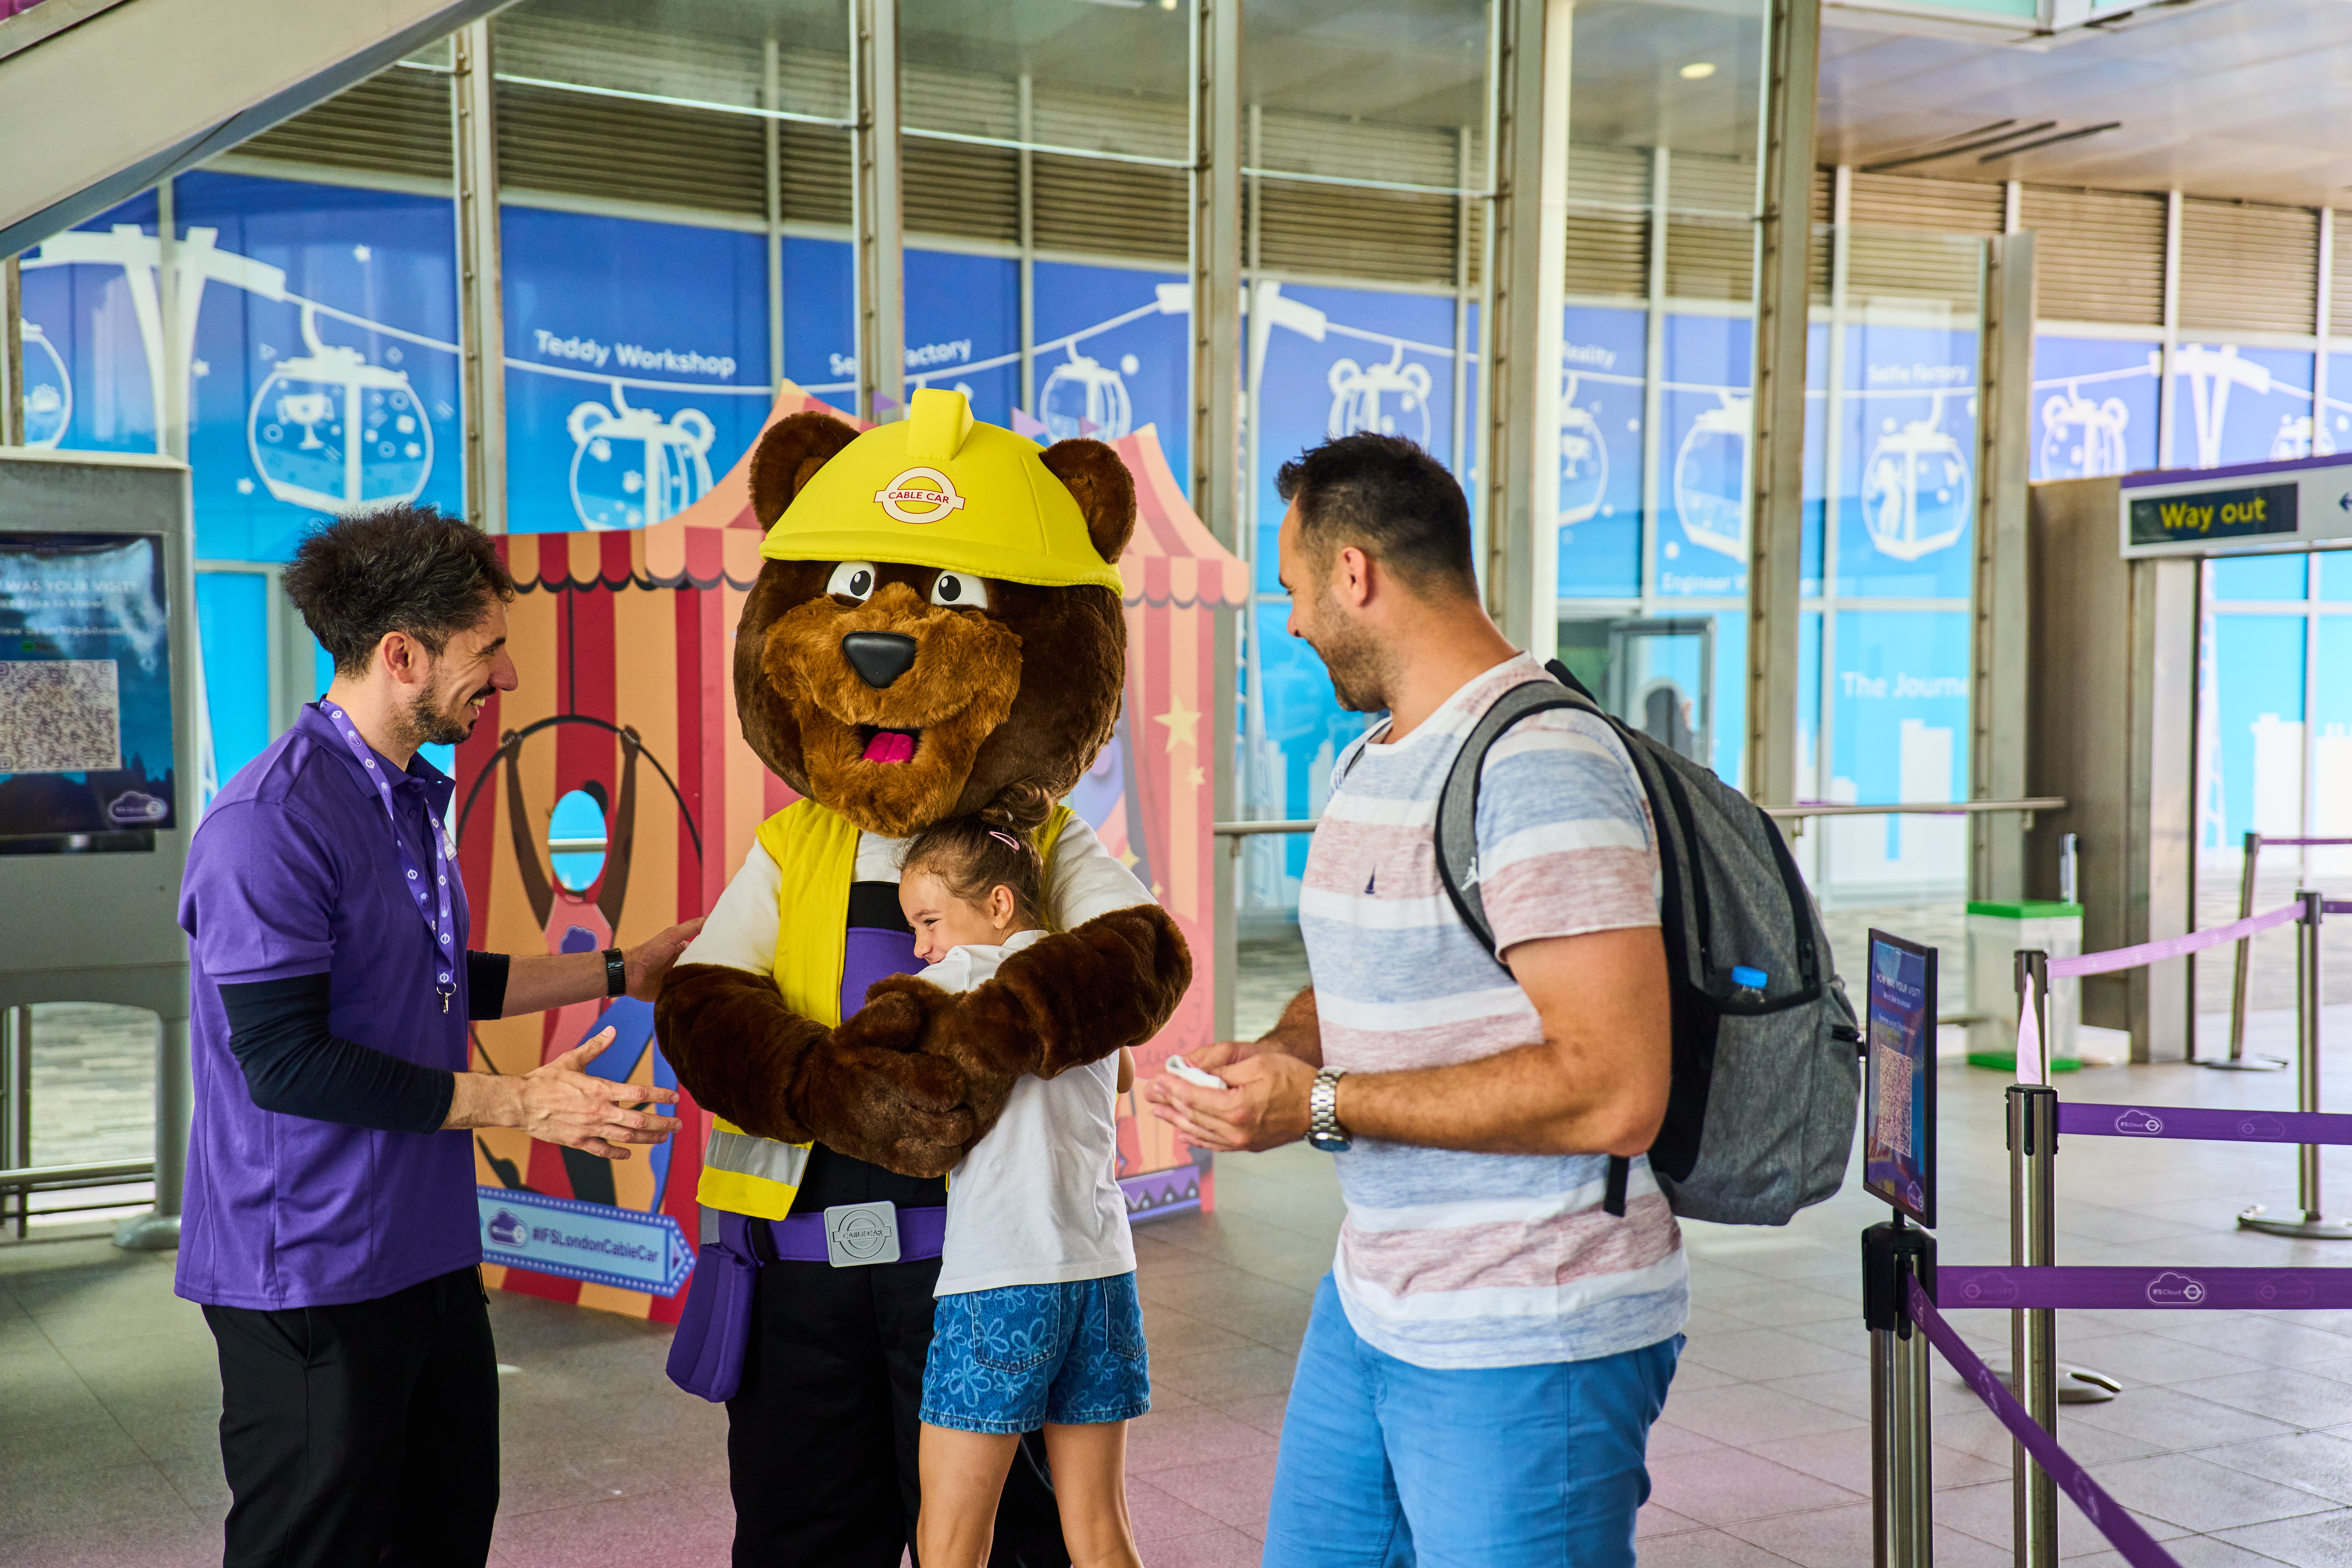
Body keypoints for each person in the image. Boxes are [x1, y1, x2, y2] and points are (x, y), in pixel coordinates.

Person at [1142, 434, 1680, 1568]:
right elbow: (1356, 986)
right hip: (1375, 1299)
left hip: (1533, 1325)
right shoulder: (1370, 763)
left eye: (1293, 590)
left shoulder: (1544, 766)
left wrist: (1323, 1104)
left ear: (1354, 574)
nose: (1290, 623)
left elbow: (1615, 1090)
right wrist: (1280, 1055)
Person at [175, 505, 703, 1568]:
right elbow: (285, 1060)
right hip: (310, 1273)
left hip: (426, 1251)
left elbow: (436, 981)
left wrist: (620, 969)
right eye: (490, 650)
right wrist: (524, 1102)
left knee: (443, 1536)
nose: (508, 676)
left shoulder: (410, 796)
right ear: (401, 656)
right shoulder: (265, 825)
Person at [894, 816, 1147, 1568]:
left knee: (951, 1543)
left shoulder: (957, 982)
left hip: (1000, 1283)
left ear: (999, 906)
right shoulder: (1087, 985)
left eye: (930, 921)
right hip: (1103, 1276)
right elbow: (1124, 1076)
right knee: (1101, 1528)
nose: (921, 947)